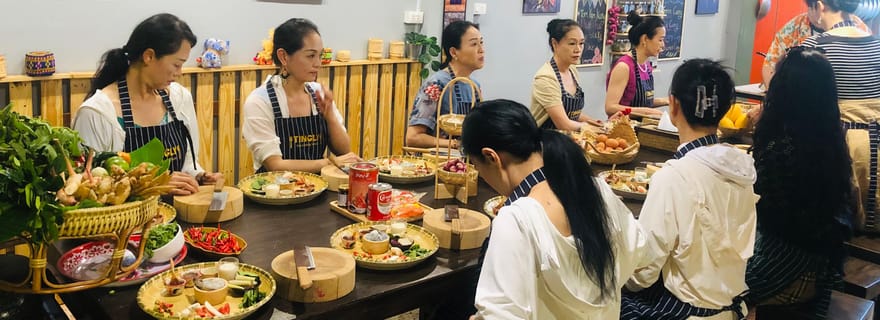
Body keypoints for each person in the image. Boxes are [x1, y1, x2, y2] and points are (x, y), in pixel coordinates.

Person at [467, 99, 651, 319]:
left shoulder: (517, 219)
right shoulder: (597, 189)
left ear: (491, 157)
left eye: (476, 165)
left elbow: (499, 314)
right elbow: (640, 251)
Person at [620, 59, 758, 320]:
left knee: (603, 296)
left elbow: (643, 273)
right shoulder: (742, 168)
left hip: (688, 312)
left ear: (673, 105)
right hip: (733, 306)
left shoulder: (675, 176)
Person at [746, 47, 853, 319]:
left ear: (784, 92)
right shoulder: (830, 138)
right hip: (821, 268)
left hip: (788, 270)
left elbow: (768, 216)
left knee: (704, 282)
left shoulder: (781, 147)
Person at [72, 13, 221, 196]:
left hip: (179, 216)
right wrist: (157, 184)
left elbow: (188, 163)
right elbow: (88, 187)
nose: (180, 73)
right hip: (125, 222)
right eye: (176, 64)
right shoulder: (96, 113)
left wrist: (198, 176)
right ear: (149, 56)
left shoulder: (180, 99)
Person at [801, 0, 880, 233]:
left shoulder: (815, 48)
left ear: (820, 5)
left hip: (838, 155)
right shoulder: (877, 45)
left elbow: (799, 109)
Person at [242, 18, 359, 173]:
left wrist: (330, 116)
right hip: (275, 192)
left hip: (318, 188)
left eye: (320, 55)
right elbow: (275, 165)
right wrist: (329, 163)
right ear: (283, 57)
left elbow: (344, 151)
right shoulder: (259, 101)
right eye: (310, 56)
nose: (318, 63)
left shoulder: (318, 94)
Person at [405, 20, 484, 149]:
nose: (481, 50)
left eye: (481, 42)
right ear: (453, 52)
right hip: (438, 161)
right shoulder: (436, 84)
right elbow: (413, 137)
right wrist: (454, 145)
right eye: (474, 44)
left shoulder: (475, 86)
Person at [759, 0, 870, 87]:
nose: (809, 12)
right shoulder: (795, 27)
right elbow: (770, 65)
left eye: (811, 7)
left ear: (819, 6)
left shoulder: (860, 29)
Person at [530, 19, 612, 131]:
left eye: (581, 43)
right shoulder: (546, 78)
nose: (578, 49)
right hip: (546, 141)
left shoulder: (572, 70)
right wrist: (596, 128)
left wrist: (598, 123)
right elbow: (564, 125)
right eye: (572, 43)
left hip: (568, 138)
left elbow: (572, 114)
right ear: (555, 44)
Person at [605, 12, 669, 119]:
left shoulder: (646, 65)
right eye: (660, 40)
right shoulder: (624, 67)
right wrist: (646, 112)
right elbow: (610, 107)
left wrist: (665, 101)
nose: (663, 45)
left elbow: (642, 102)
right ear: (644, 39)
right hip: (622, 128)